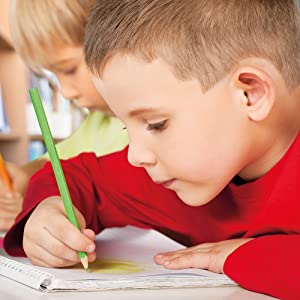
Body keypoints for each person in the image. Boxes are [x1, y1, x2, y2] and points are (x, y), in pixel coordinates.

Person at [4, 0, 300, 299]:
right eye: (124, 126)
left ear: (251, 93)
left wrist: (242, 256)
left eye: (156, 124)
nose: (135, 156)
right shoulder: (170, 176)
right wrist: (49, 212)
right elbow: (79, 177)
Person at [0, 0, 128, 231]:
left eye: (69, 69)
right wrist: (23, 176)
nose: (66, 92)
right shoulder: (98, 123)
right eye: (54, 74)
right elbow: (56, 163)